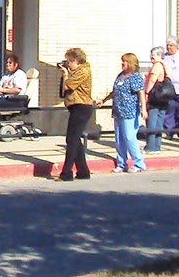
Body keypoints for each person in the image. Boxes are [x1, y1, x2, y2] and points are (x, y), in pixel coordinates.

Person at [102, 52, 149, 173]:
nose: (122, 63)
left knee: (129, 137)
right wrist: (104, 100)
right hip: (118, 111)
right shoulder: (120, 76)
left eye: (125, 61)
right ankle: (121, 163)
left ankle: (139, 163)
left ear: (131, 63)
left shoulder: (135, 77)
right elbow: (114, 91)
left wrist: (144, 109)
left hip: (130, 111)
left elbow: (141, 93)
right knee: (119, 138)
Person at [55, 47, 94, 181]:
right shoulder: (78, 70)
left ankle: (66, 173)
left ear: (76, 60)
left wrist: (65, 73)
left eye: (69, 61)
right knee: (75, 139)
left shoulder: (83, 70)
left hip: (82, 106)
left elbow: (68, 86)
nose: (68, 64)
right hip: (76, 106)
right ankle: (83, 171)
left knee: (71, 140)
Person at [141, 45, 169, 153]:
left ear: (159, 55)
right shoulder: (165, 66)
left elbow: (152, 80)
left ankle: (151, 147)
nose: (151, 57)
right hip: (163, 98)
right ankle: (157, 146)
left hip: (155, 97)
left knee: (152, 121)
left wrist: (147, 93)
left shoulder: (157, 66)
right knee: (159, 121)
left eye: (153, 54)